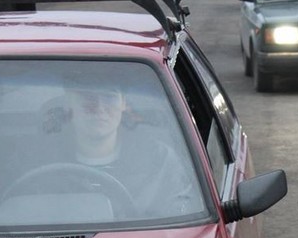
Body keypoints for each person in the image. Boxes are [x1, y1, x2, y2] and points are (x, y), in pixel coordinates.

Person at [14, 77, 202, 220]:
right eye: (87, 97)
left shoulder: (159, 162)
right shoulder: (37, 161)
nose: (99, 107)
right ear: (69, 102)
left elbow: (178, 228)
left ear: (123, 104)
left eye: (109, 96)